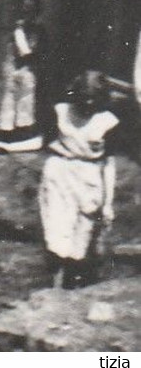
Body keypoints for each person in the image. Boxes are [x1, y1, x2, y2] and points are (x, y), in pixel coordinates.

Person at [39, 71, 121, 289]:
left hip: (90, 175)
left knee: (83, 228)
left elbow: (108, 165)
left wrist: (108, 203)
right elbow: (46, 141)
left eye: (93, 99)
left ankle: (73, 284)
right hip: (60, 171)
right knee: (57, 226)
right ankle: (54, 285)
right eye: (83, 97)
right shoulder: (60, 112)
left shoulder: (107, 122)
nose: (88, 103)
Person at [0, 0, 44, 153]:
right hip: (10, 68)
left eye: (30, 10)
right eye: (23, 10)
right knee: (6, 100)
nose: (26, 13)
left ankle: (21, 137)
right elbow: (14, 50)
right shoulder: (14, 29)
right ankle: (3, 135)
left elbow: (30, 52)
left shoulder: (37, 30)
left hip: (27, 71)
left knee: (25, 103)